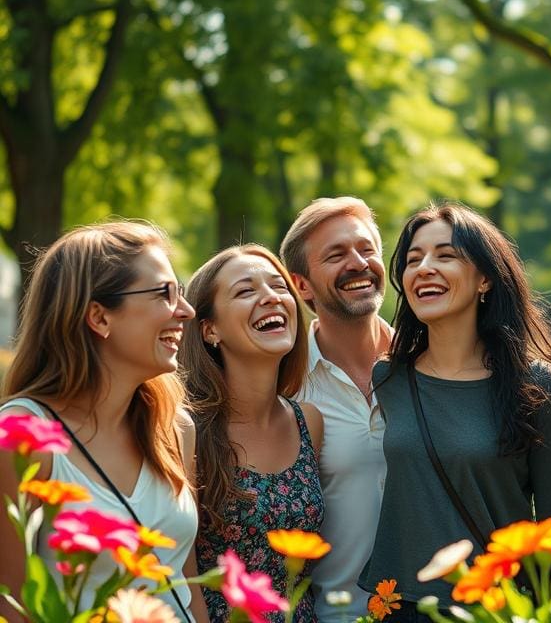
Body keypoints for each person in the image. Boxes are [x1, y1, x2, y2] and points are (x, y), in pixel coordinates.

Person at [360, 202, 551, 618]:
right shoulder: (388, 379)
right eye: (413, 259)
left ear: (485, 279)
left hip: (492, 607)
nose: (424, 267)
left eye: (446, 255)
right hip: (396, 603)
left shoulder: (537, 385)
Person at [0, 221, 208, 622]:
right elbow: (12, 608)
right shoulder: (23, 438)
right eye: (166, 293)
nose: (186, 310)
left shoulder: (176, 429)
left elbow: (185, 581)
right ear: (99, 317)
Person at [180, 245, 324, 623]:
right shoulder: (187, 429)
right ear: (210, 330)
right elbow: (182, 569)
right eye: (246, 291)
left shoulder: (308, 422)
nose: (271, 297)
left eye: (279, 286)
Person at [279, 197, 392, 623]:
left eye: (367, 249)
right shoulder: (284, 387)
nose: (358, 263)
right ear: (302, 285)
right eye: (336, 255)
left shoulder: (427, 368)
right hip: (332, 615)